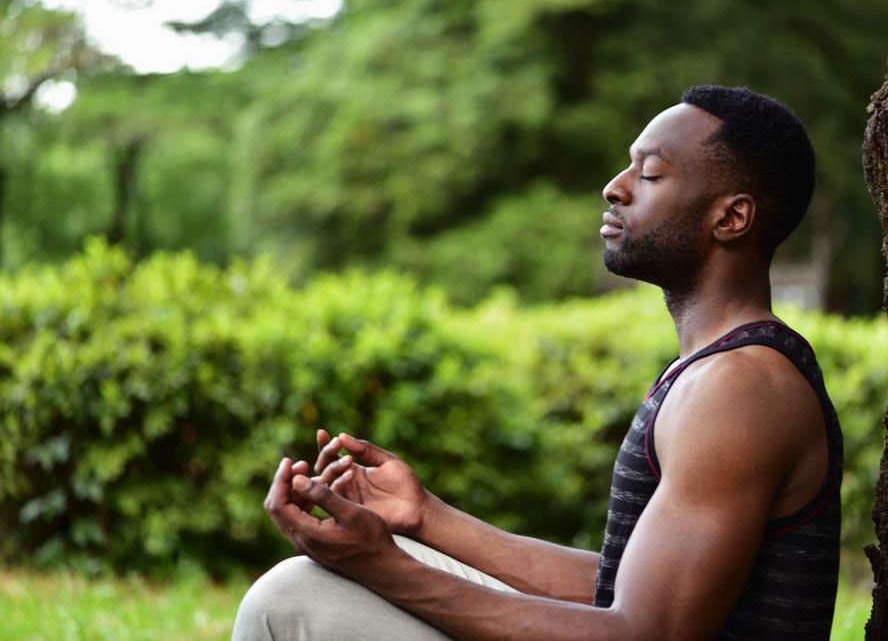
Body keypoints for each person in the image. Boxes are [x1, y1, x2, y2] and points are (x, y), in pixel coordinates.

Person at [232, 85, 843, 640]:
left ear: (730, 218)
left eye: (650, 174)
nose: (616, 186)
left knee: (293, 599)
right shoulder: (720, 369)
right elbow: (622, 589)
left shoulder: (739, 388)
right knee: (316, 584)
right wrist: (424, 519)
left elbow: (646, 633)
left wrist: (383, 565)